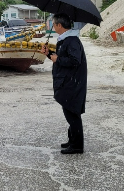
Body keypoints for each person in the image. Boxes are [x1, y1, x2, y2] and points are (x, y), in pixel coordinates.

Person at [41, 13, 88, 154]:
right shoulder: (66, 40)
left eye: (54, 24)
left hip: (71, 83)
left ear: (59, 25)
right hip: (67, 82)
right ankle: (72, 140)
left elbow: (74, 61)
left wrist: (57, 59)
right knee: (69, 112)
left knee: (72, 114)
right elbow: (61, 57)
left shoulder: (72, 40)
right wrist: (49, 54)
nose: (53, 27)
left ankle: (77, 146)